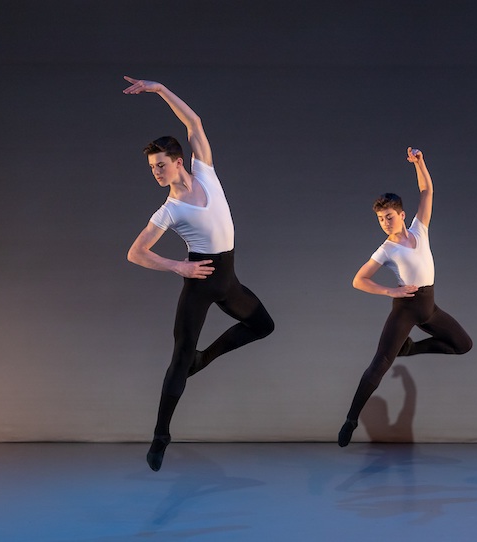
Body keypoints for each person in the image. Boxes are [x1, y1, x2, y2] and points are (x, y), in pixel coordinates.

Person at [123, 76, 275, 470]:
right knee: (178, 360)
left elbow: (193, 122)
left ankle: (204, 359)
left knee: (263, 325)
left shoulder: (204, 170)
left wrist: (158, 90)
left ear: (178, 161)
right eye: (151, 168)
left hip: (229, 280)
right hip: (201, 284)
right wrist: (178, 266)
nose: (156, 173)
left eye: (160, 165)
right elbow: (136, 253)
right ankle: (160, 437)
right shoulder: (168, 210)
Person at [338, 147, 473, 447]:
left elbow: (426, 191)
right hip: (406, 310)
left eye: (388, 216)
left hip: (430, 308)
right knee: (380, 364)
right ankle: (350, 419)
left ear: (401, 215)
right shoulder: (386, 250)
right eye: (380, 219)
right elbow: (359, 280)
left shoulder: (419, 229)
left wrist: (420, 163)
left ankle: (410, 350)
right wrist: (391, 290)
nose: (385, 222)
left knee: (463, 345)